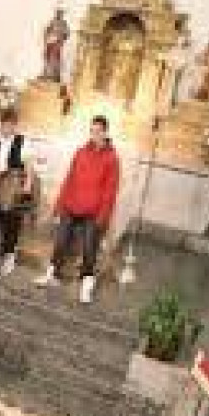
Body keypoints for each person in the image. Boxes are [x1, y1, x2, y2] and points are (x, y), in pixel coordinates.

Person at [34, 115, 120, 304]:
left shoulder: (112, 158)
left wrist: (102, 217)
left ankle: (86, 285)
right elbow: (69, 179)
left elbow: (111, 191)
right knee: (60, 242)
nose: (94, 135)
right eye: (92, 131)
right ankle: (52, 274)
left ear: (105, 132)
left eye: (98, 131)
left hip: (94, 212)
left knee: (90, 249)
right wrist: (59, 205)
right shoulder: (80, 152)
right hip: (71, 205)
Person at [0, 108, 38, 276]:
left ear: (15, 125)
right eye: (4, 125)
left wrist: (27, 186)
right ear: (0, 125)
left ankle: (9, 257)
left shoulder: (21, 142)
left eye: (10, 125)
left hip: (12, 187)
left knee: (11, 224)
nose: (7, 128)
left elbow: (28, 165)